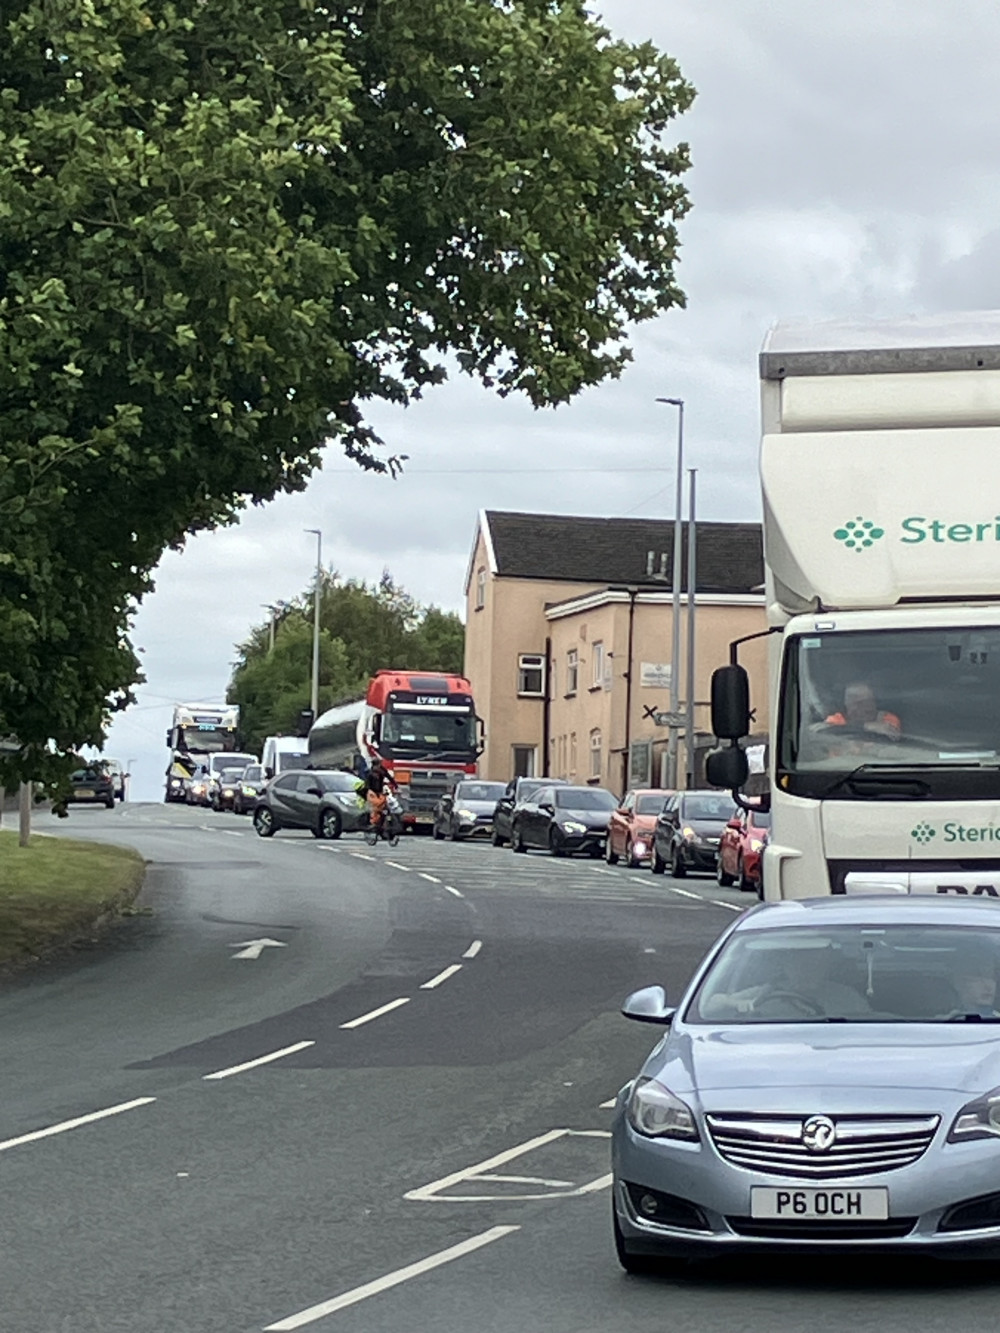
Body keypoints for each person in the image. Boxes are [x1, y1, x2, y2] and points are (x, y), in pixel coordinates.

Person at [699, 944, 870, 1020]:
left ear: (826, 967)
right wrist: (735, 1003)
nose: (805, 970)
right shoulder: (765, 992)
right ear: (785, 967)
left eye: (814, 965)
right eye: (799, 965)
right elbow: (710, 1005)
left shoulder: (846, 996)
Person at [825, 682, 901, 739]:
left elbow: (893, 733)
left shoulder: (886, 718)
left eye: (865, 702)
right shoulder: (838, 719)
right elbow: (819, 732)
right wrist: (865, 726)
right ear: (846, 704)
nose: (860, 708)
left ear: (874, 702)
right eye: (854, 703)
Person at [361, 757, 397, 835]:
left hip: (379, 792)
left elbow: (389, 777)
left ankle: (382, 824)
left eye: (379, 765)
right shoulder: (370, 773)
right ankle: (373, 823)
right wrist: (365, 793)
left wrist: (395, 785)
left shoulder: (382, 771)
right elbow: (367, 785)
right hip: (372, 792)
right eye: (377, 765)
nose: (378, 767)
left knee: (385, 807)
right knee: (377, 806)